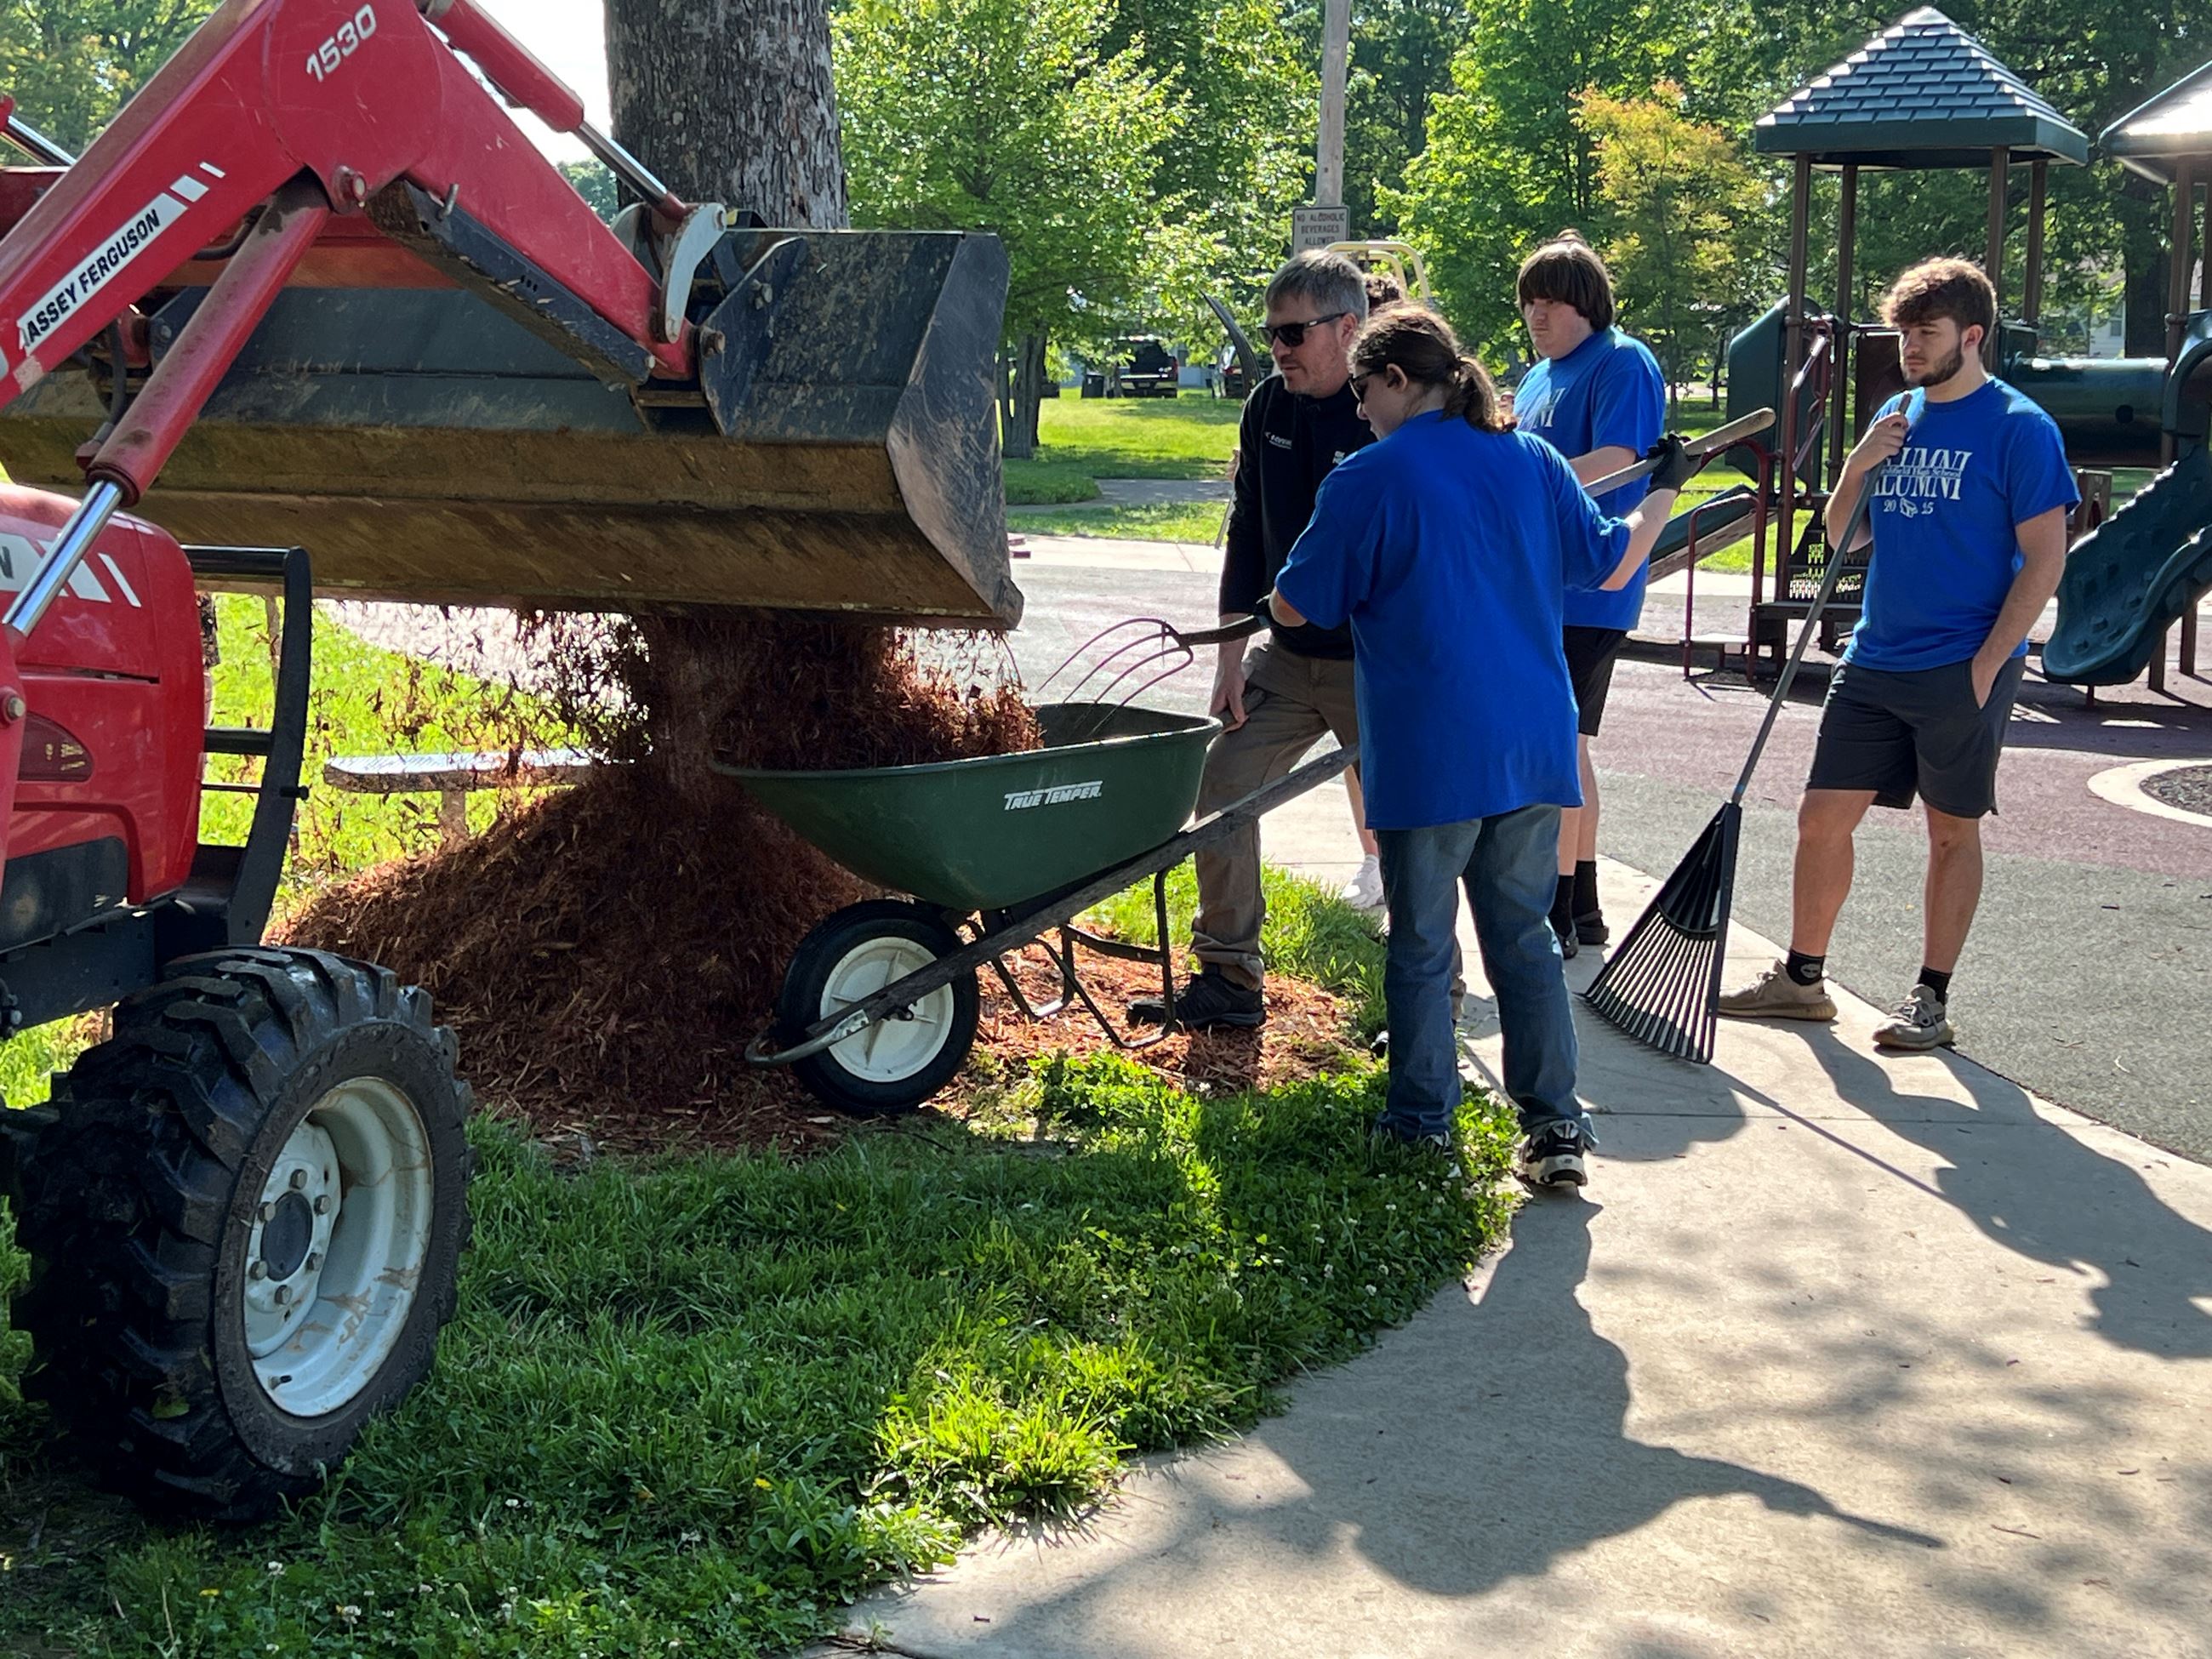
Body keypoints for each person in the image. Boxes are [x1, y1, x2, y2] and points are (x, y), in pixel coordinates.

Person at [1268, 308, 1694, 1189]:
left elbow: (1296, 605)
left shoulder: (1366, 477)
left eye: (1360, 390)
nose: (1356, 411)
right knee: (1525, 937)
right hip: (1531, 739)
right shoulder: (1532, 460)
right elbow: (1611, 565)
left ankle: (1421, 1125)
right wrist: (1664, 491)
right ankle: (1553, 1129)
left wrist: (1278, 597)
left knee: (1421, 944)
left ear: (1393, 380)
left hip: (1430, 746)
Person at [1717, 257, 2076, 1051]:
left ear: (1971, 336)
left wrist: (1986, 668)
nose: (1910, 348)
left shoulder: (2020, 428)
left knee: (1952, 831)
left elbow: (2045, 561)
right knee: (1820, 819)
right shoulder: (1898, 415)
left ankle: (1931, 1000)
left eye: (1927, 334)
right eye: (1904, 333)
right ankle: (1803, 981)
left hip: (1961, 663)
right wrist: (1855, 466)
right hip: (1876, 658)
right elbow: (1848, 535)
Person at [1131, 251, 1375, 1029]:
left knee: (1411, 825)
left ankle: (1426, 1003)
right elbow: (1244, 534)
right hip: (1286, 657)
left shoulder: (1387, 413)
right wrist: (1229, 661)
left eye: (1293, 333)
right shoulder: (1268, 405)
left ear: (1347, 328)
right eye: (1271, 333)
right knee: (1223, 784)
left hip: (1376, 665)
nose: (1278, 348)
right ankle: (1231, 980)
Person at [1509, 233, 1666, 958]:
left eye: (1553, 302)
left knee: (1555, 746)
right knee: (1569, 746)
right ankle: (1586, 908)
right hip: (1543, 586)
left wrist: (1515, 483)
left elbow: (1616, 460)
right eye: (1530, 302)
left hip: (1592, 586)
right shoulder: (1541, 376)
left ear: (1588, 303)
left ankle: (1558, 910)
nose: (1539, 316)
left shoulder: (1621, 361)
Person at [1337, 267, 1411, 915]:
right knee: (1357, 757)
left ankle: (1389, 867)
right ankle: (1375, 862)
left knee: (1380, 759)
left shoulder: (1386, 452)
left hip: (1394, 646)